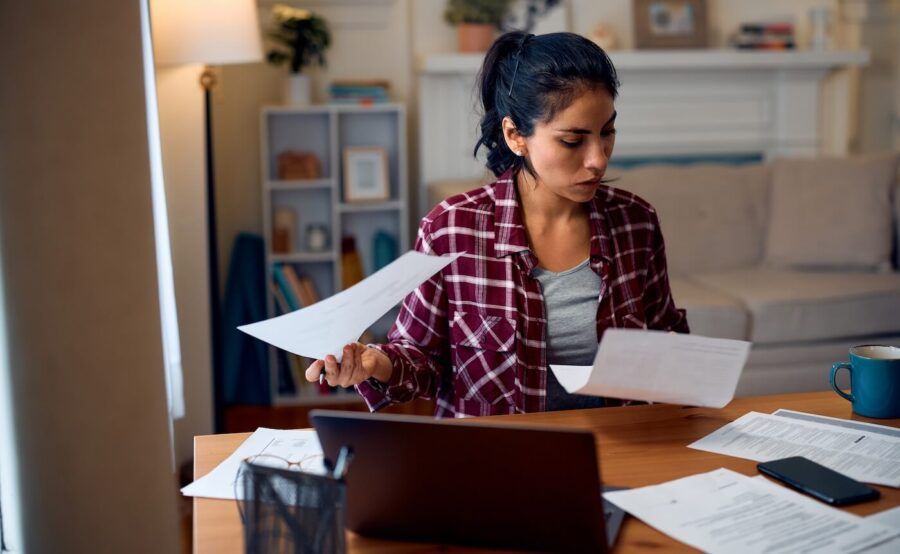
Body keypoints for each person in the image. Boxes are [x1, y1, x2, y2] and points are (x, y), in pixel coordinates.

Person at [305, 31, 689, 417]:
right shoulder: (451, 230)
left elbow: (663, 338)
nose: (598, 160)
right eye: (573, 141)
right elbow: (420, 358)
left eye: (607, 133)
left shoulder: (636, 222)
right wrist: (374, 363)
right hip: (495, 456)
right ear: (515, 135)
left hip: (620, 446)